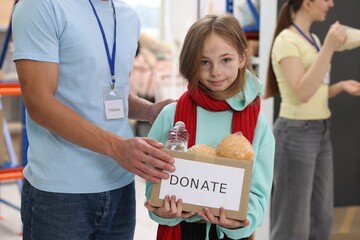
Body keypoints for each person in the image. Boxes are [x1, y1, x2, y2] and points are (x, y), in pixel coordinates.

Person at [11, 0, 175, 239]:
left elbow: (109, 94)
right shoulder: (41, 6)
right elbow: (39, 104)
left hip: (120, 187)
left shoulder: (128, 17)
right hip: (60, 195)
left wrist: (150, 111)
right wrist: (117, 147)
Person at [144, 14, 275, 240]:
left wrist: (239, 222)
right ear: (191, 63)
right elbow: (153, 183)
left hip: (229, 234)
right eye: (204, 62)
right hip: (182, 230)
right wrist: (164, 212)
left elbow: (258, 194)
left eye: (226, 60)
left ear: (242, 59)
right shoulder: (171, 116)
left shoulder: (257, 124)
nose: (215, 71)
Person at [264, 1, 360, 239]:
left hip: (320, 130)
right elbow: (303, 93)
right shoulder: (286, 41)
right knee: (292, 223)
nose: (331, 4)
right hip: (295, 134)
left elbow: (316, 90)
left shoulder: (313, 40)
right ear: (307, 3)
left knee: (322, 217)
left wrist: (339, 86)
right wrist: (328, 48)